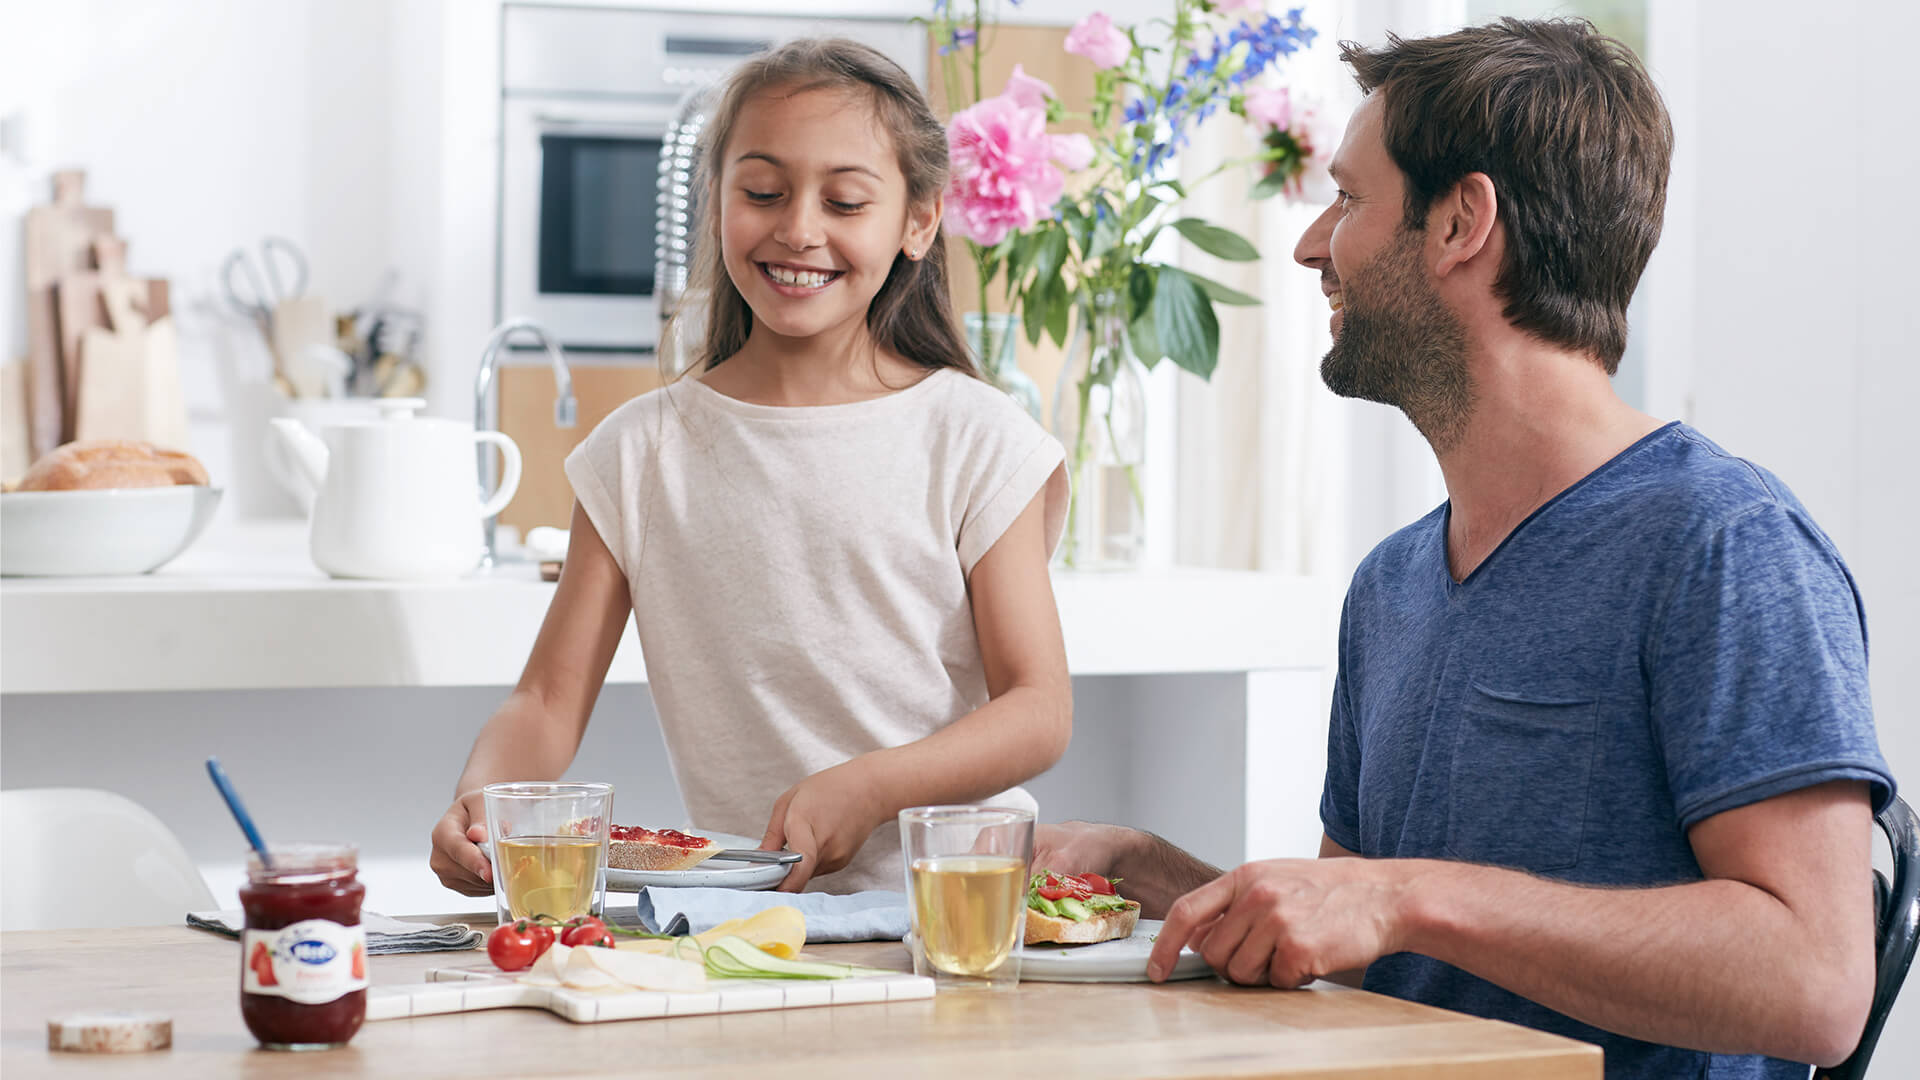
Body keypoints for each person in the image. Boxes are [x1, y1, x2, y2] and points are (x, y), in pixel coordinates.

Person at [1035, 18, 1892, 1079]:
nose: (1313, 246)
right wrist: (1145, 868)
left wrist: (1404, 896)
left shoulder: (1723, 545)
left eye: (1348, 200)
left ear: (1459, 223)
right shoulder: (1390, 584)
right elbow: (1363, 958)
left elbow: (1817, 986)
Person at [430, 38, 1072, 895]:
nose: (799, 228)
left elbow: (1037, 711)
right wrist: (484, 801)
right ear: (718, 202)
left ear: (920, 221)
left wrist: (874, 786)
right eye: (763, 192)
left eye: (845, 201)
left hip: (958, 913)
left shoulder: (977, 439)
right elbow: (545, 703)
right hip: (746, 922)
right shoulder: (639, 454)